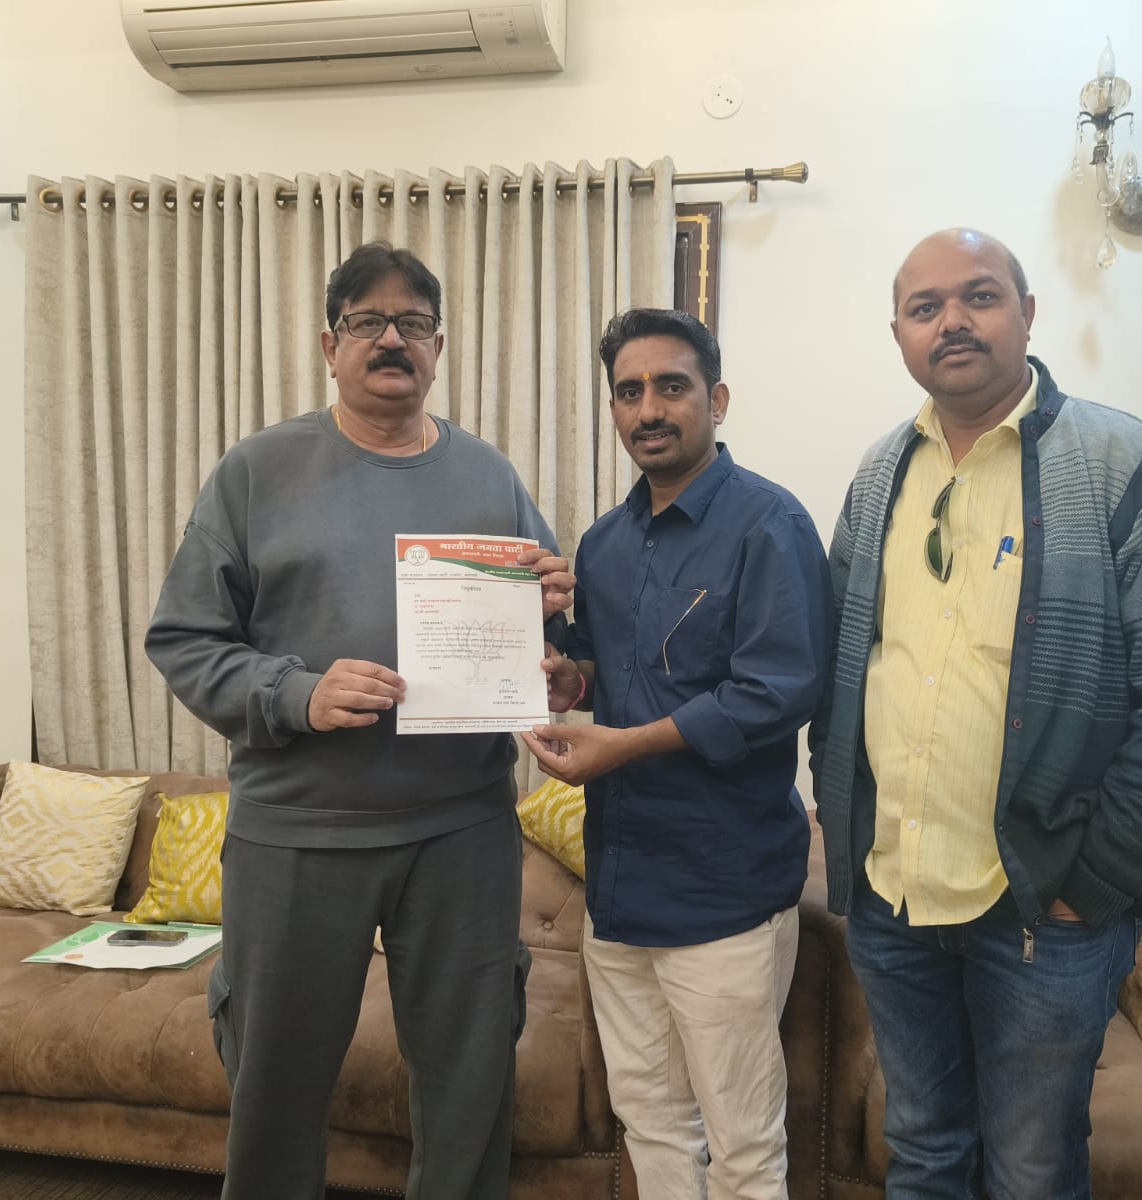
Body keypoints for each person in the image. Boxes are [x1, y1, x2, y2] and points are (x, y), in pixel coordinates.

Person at [809, 228, 1142, 1199]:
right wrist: (845, 823)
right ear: (898, 334)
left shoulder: (1118, 462)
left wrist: (1096, 876)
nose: (952, 322)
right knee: (921, 1152)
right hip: (892, 897)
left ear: (1028, 314)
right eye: (925, 308)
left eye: (979, 296)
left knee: (1033, 1170)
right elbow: (840, 665)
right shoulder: (881, 474)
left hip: (1047, 912)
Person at [145, 241, 573, 1200]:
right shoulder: (256, 471)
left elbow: (549, 648)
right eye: (368, 322)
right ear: (330, 345)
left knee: (470, 1086)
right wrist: (296, 694)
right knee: (275, 1083)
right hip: (298, 832)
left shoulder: (489, 476)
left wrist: (551, 654)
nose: (392, 339)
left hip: (462, 832)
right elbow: (183, 639)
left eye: (413, 323)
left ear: (438, 348)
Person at [520, 309, 834, 1200]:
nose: (649, 409)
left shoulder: (769, 523)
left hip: (723, 889)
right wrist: (565, 680)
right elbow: (599, 674)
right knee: (651, 1123)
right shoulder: (604, 543)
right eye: (629, 392)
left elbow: (777, 692)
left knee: (743, 1147)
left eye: (671, 386)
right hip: (621, 885)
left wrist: (622, 746)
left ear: (716, 399)